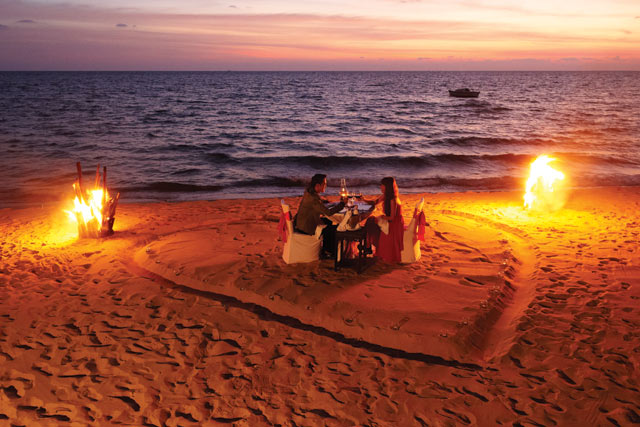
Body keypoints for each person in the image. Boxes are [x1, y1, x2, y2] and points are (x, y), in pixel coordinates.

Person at [294, 174, 346, 257]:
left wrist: (325, 202)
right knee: (332, 229)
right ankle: (329, 252)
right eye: (324, 184)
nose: (326, 185)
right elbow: (328, 212)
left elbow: (317, 203)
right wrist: (342, 204)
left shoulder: (309, 193)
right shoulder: (313, 198)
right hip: (307, 227)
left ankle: (326, 248)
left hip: (302, 223)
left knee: (329, 221)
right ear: (318, 185)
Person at [363, 177, 404, 263]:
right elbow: (375, 202)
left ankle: (367, 246)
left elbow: (392, 218)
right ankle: (367, 245)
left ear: (387, 186)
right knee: (370, 220)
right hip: (389, 220)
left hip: (395, 224)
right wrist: (363, 199)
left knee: (371, 222)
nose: (380, 187)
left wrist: (382, 217)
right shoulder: (385, 196)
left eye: (382, 185)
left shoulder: (393, 200)